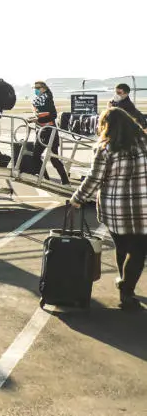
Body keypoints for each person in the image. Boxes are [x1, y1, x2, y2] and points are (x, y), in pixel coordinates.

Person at [71, 107, 147, 311]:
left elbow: (95, 178)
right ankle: (126, 290)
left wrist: (77, 198)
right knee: (138, 251)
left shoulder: (105, 148)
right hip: (143, 208)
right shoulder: (144, 145)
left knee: (122, 246)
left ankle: (123, 280)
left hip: (114, 209)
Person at [28, 81, 70, 186]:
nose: (35, 90)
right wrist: (35, 119)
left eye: (37, 88)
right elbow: (40, 115)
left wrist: (38, 120)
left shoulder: (47, 99)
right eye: (34, 88)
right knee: (36, 156)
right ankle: (45, 179)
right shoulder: (38, 100)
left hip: (50, 131)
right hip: (41, 131)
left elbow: (53, 115)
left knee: (53, 158)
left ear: (43, 88)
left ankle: (64, 181)